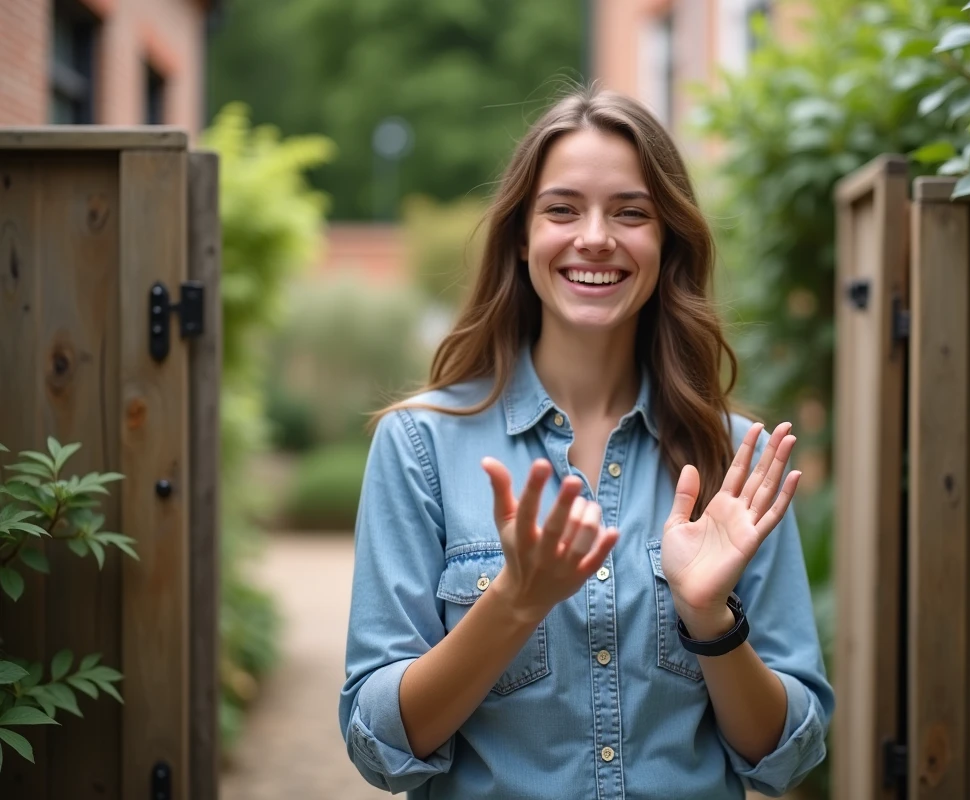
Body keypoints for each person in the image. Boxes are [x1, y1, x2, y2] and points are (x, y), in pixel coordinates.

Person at [338, 84, 833, 799]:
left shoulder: (735, 463)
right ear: (521, 237)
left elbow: (787, 756)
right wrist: (513, 602)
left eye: (631, 212)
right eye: (562, 209)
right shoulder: (420, 446)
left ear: (667, 241)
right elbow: (380, 746)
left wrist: (709, 620)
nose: (596, 237)